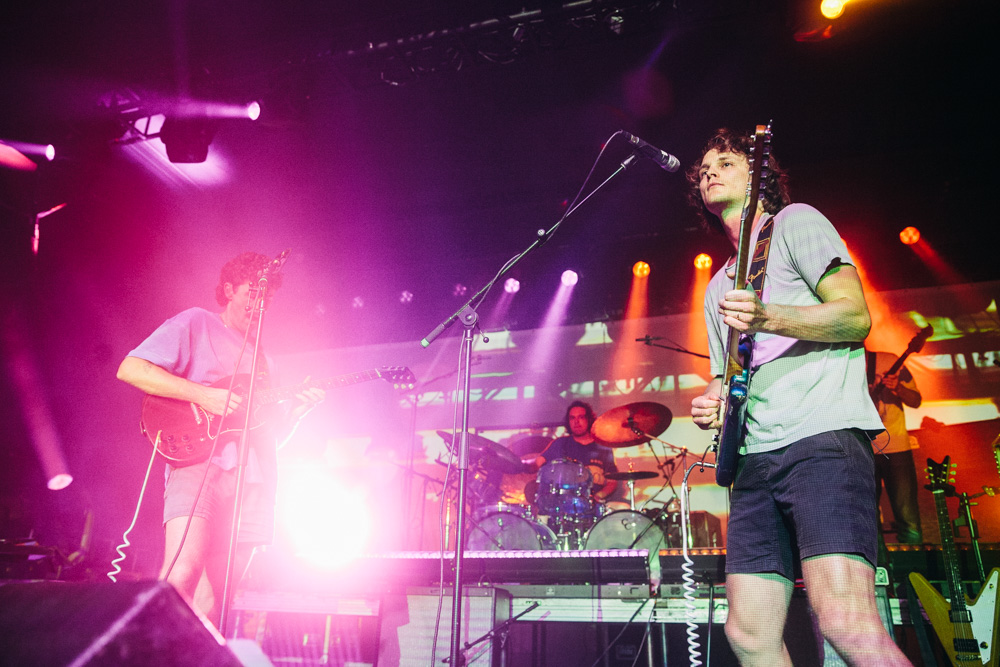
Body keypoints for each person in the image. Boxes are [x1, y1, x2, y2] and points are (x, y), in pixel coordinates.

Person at [687, 128, 911, 666]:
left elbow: (855, 317)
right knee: (748, 634)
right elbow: (730, 376)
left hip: (821, 444)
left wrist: (770, 316)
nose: (709, 171)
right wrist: (712, 401)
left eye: (726, 161)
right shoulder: (718, 285)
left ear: (758, 175)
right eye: (702, 169)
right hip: (754, 464)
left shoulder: (795, 223)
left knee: (845, 623)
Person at [117, 251, 324, 628]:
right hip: (198, 464)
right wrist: (203, 395)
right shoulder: (197, 322)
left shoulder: (265, 361)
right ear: (229, 290)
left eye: (268, 300)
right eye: (253, 293)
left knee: (216, 601)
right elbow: (131, 368)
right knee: (181, 577)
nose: (260, 305)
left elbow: (266, 439)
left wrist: (296, 414)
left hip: (252, 482)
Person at [867, 348, 923, 544]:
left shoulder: (889, 360)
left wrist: (898, 388)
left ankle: (915, 572)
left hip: (896, 448)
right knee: (867, 522)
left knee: (909, 520)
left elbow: (916, 401)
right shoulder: (840, 365)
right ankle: (878, 571)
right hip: (861, 451)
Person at [533, 401, 617, 503]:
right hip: (563, 504)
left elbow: (612, 482)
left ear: (589, 420)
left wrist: (598, 496)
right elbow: (539, 463)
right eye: (572, 418)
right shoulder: (560, 443)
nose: (576, 422)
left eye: (581, 417)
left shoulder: (603, 447)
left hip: (595, 505)